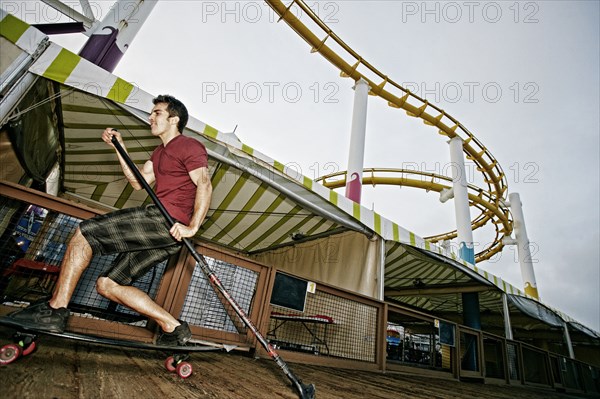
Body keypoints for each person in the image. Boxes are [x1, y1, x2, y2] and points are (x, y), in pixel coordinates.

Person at [4, 95, 212, 346]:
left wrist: (193, 227)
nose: (150, 117)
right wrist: (118, 147)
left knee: (84, 233)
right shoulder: (159, 154)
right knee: (107, 284)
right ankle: (173, 327)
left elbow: (204, 183)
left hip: (164, 221)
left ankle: (56, 309)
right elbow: (138, 183)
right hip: (167, 235)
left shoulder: (188, 146)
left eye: (156, 113)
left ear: (174, 119)